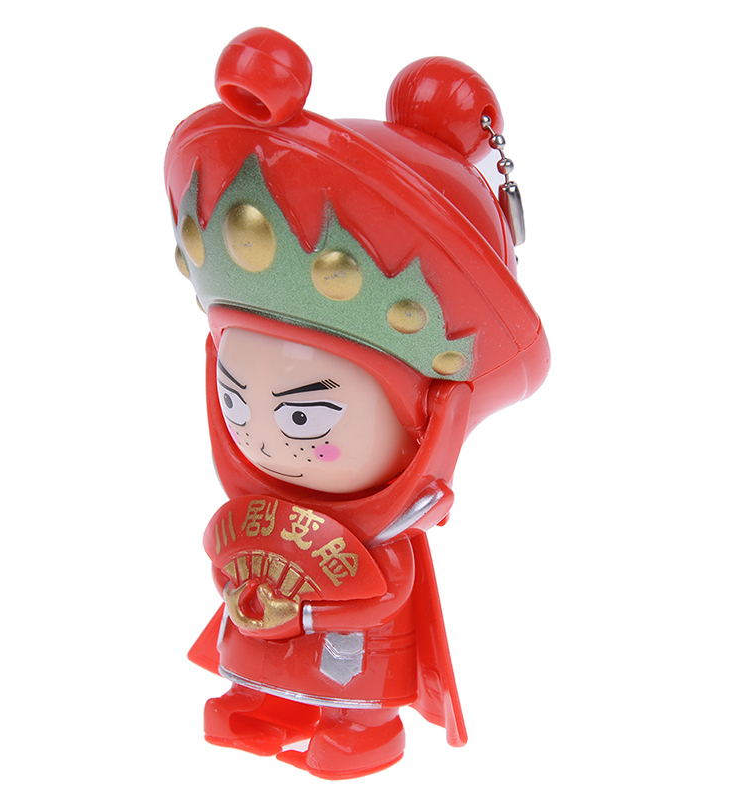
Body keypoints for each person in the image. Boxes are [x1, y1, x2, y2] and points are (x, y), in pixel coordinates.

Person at [164, 27, 549, 779]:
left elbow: (383, 594)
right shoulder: (258, 507)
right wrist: (247, 595)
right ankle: (261, 702)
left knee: (353, 681)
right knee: (257, 660)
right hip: (266, 627)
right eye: (236, 402)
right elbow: (227, 556)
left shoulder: (389, 534)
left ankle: (362, 734)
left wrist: (307, 611)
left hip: (350, 649)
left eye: (304, 416)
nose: (264, 439)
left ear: (424, 418)